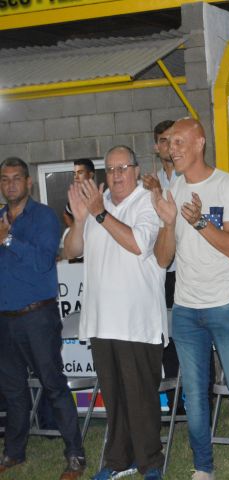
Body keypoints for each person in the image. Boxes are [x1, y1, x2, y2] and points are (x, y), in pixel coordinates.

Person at [151, 118, 229, 480]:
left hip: (224, 304)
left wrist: (200, 222)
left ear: (200, 142)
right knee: (195, 395)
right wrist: (169, 224)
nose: (174, 149)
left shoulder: (227, 185)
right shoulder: (173, 190)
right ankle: (203, 467)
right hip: (185, 309)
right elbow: (163, 259)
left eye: (180, 142)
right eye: (170, 144)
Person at [64, 145, 167, 480]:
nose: (117, 174)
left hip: (137, 321)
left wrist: (99, 214)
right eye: (110, 169)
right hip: (101, 320)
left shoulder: (147, 201)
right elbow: (71, 249)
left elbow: (139, 243)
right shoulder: (98, 203)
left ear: (136, 170)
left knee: (141, 397)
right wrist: (82, 219)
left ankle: (150, 461)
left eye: (124, 167)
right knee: (114, 395)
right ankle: (118, 459)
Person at [0, 157, 86, 480]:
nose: (10, 185)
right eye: (5, 179)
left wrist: (8, 240)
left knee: (53, 386)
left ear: (28, 183)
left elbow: (43, 261)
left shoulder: (44, 217)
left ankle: (75, 455)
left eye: (16, 178)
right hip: (4, 319)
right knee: (12, 390)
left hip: (37, 316)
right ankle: (14, 452)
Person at [142, 120, 187, 416]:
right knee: (167, 337)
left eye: (173, 140)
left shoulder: (190, 176)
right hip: (162, 272)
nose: (168, 146)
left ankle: (200, 400)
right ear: (157, 146)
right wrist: (154, 193)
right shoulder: (148, 183)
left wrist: (161, 193)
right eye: (163, 140)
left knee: (191, 335)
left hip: (187, 269)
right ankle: (175, 404)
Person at [64, 159, 96, 228]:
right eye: (75, 174)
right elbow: (66, 214)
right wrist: (75, 230)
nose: (76, 177)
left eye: (80, 173)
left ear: (90, 175)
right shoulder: (76, 197)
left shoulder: (102, 197)